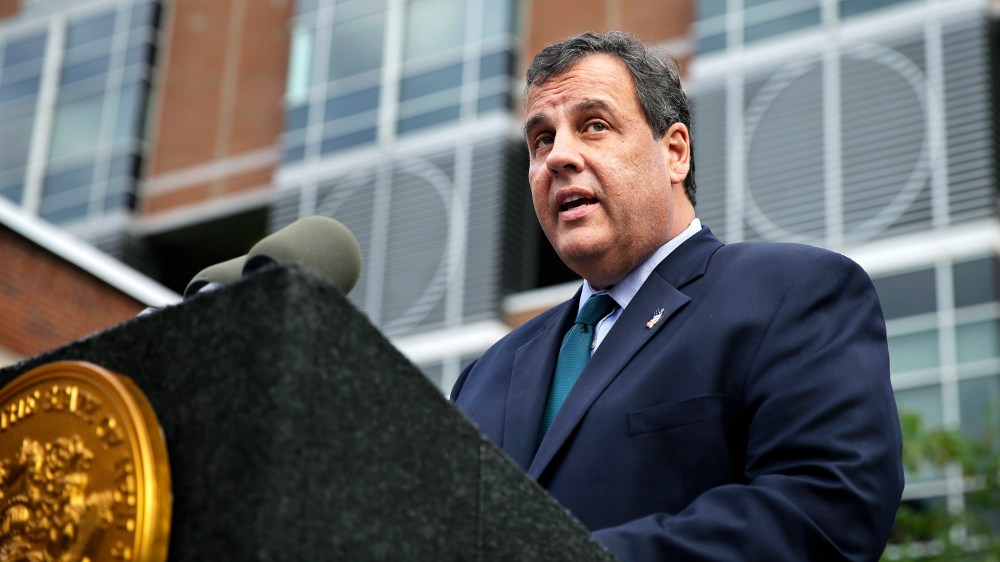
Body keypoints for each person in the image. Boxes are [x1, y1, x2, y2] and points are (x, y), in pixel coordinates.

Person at [451, 31, 903, 561]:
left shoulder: (793, 292)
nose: (559, 157)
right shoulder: (483, 378)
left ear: (675, 153)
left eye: (594, 125)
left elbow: (827, 511)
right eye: (542, 139)